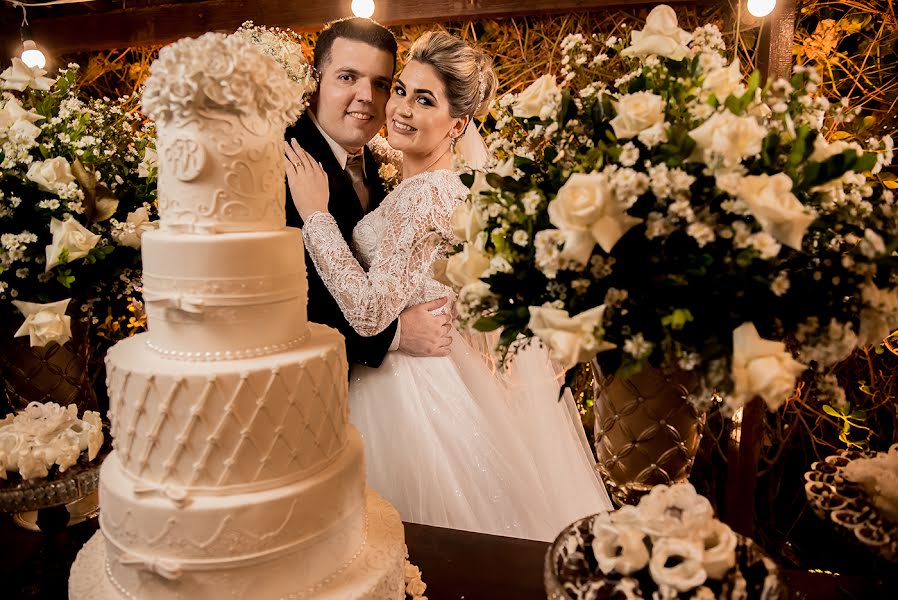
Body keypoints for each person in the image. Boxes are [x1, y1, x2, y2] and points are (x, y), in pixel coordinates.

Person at [285, 30, 613, 542]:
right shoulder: (433, 185)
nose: (400, 109)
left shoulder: (426, 197)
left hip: (406, 396)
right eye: (401, 91)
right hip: (431, 375)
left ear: (458, 124)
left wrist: (316, 216)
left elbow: (370, 313)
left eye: (425, 100)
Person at [284, 18, 452, 369]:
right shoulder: (286, 161)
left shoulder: (378, 159)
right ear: (314, 82)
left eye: (381, 84)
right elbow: (284, 298)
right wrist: (395, 333)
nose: (366, 96)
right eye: (347, 77)